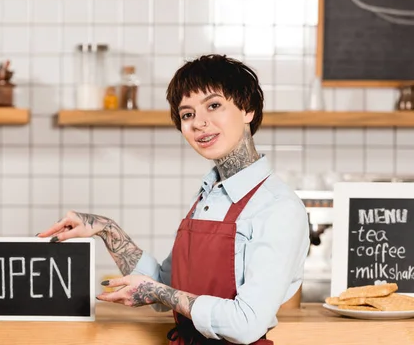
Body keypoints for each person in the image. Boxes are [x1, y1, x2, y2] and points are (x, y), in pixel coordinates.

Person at [38, 54, 310, 345]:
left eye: (214, 106)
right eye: (187, 114)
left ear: (248, 109)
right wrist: (107, 229)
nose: (199, 123)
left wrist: (159, 292)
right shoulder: (209, 196)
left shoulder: (279, 207)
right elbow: (166, 288)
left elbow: (246, 324)